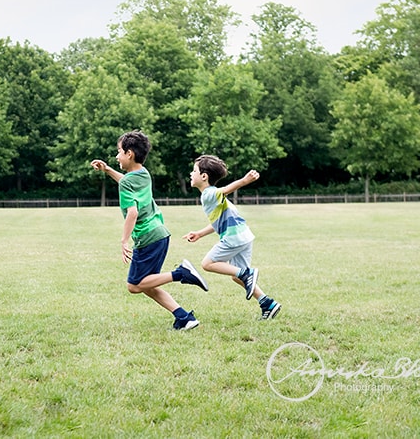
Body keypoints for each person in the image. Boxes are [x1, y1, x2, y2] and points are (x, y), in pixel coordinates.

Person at [91, 131, 209, 331]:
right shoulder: (143, 173)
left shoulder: (129, 182)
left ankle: (181, 273)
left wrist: (124, 241)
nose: (116, 156)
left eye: (118, 152)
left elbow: (132, 212)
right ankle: (183, 318)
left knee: (134, 285)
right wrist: (109, 170)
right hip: (160, 234)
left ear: (129, 154)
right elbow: (127, 182)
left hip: (147, 237)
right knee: (147, 284)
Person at [183, 154, 281, 320]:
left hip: (234, 237)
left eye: (194, 171)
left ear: (204, 176)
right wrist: (200, 233)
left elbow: (226, 190)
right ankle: (267, 303)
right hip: (244, 236)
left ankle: (247, 274)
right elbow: (217, 222)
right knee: (236, 276)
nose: (191, 174)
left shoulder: (208, 194)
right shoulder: (212, 197)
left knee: (207, 264)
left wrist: (244, 181)